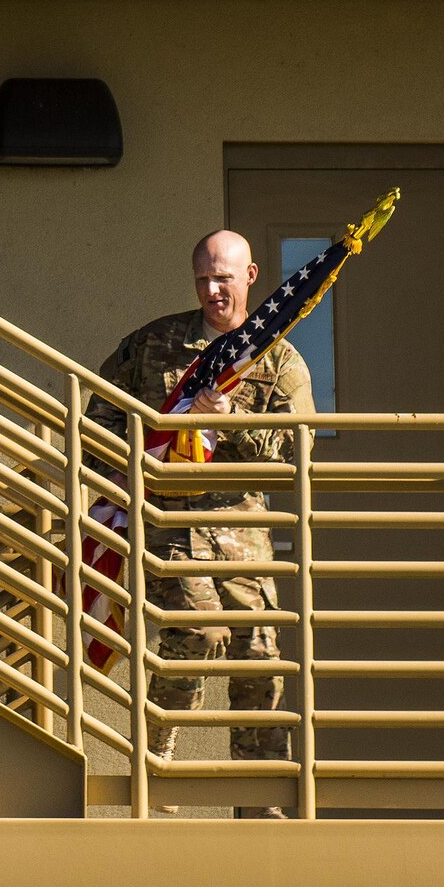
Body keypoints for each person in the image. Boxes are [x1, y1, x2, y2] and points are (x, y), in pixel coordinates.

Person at [88, 229, 313, 818]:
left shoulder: (279, 358)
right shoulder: (153, 343)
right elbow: (98, 422)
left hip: (244, 540)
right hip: (169, 529)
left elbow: (294, 457)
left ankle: (260, 812)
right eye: (204, 279)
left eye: (224, 278)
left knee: (260, 669)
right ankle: (158, 754)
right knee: (198, 633)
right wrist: (141, 452)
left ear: (252, 276)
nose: (214, 291)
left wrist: (233, 418)